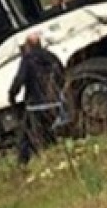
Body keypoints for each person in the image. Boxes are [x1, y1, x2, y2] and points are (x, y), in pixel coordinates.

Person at [7, 32, 66, 165]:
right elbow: (62, 76)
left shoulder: (27, 60)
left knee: (26, 135)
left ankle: (23, 164)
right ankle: (54, 158)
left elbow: (19, 79)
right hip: (55, 103)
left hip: (36, 105)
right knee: (50, 132)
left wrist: (12, 96)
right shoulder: (52, 57)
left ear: (28, 45)